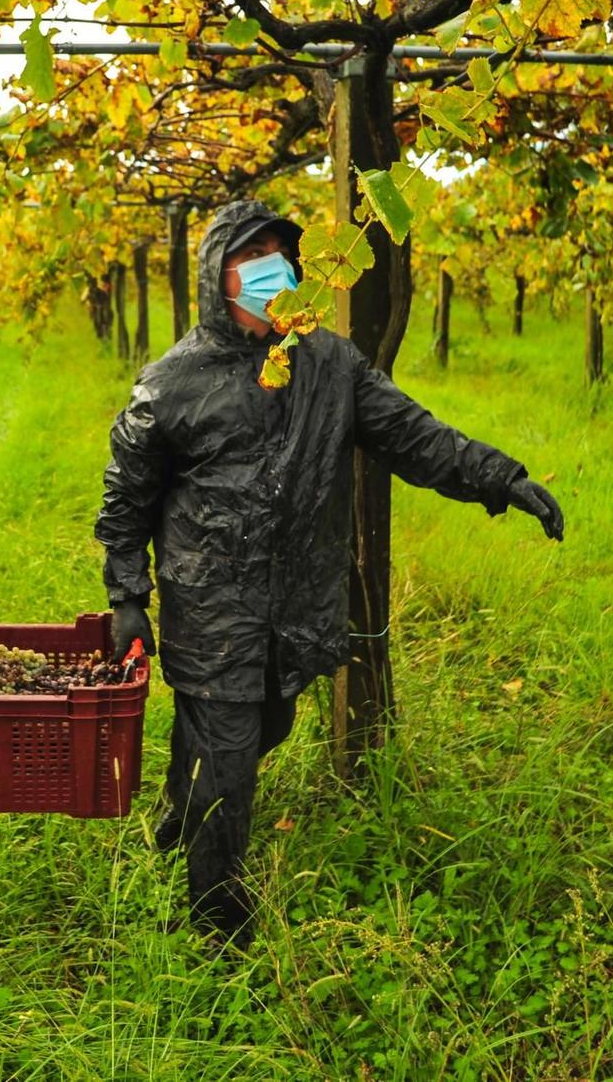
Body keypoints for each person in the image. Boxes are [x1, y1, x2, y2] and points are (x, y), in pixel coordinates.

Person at [94, 199, 564, 949]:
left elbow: (415, 436)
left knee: (264, 726)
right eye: (253, 256)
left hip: (295, 606)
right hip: (212, 611)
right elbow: (125, 504)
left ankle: (181, 803)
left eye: (283, 253)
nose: (272, 270)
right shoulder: (171, 383)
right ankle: (217, 930)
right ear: (219, 276)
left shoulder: (329, 365)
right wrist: (128, 599)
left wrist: (501, 479)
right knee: (231, 767)